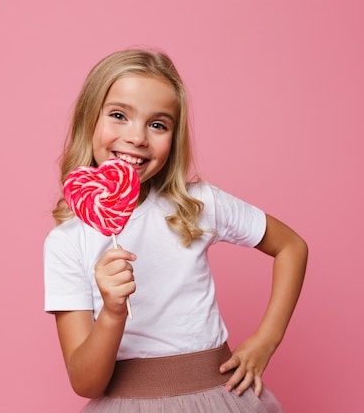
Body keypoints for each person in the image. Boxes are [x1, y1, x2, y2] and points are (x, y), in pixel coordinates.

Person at [44, 48, 308, 413]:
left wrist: (266, 339)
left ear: (174, 136)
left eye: (158, 124)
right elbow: (85, 382)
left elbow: (292, 247)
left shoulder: (200, 205)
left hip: (218, 397)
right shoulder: (67, 243)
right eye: (119, 115)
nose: (137, 137)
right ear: (88, 119)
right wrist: (112, 311)